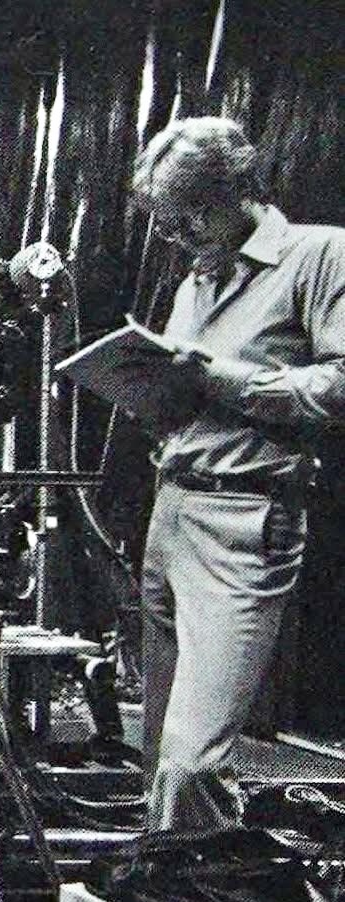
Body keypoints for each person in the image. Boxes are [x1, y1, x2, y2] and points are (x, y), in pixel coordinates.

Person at [129, 116, 345, 831]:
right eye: (166, 219)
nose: (175, 234)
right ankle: (169, 888)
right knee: (157, 751)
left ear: (239, 191)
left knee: (191, 761)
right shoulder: (198, 276)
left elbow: (339, 386)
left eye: (189, 215)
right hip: (172, 509)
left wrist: (223, 379)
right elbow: (190, 390)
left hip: (245, 520)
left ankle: (215, 892)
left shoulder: (320, 256)